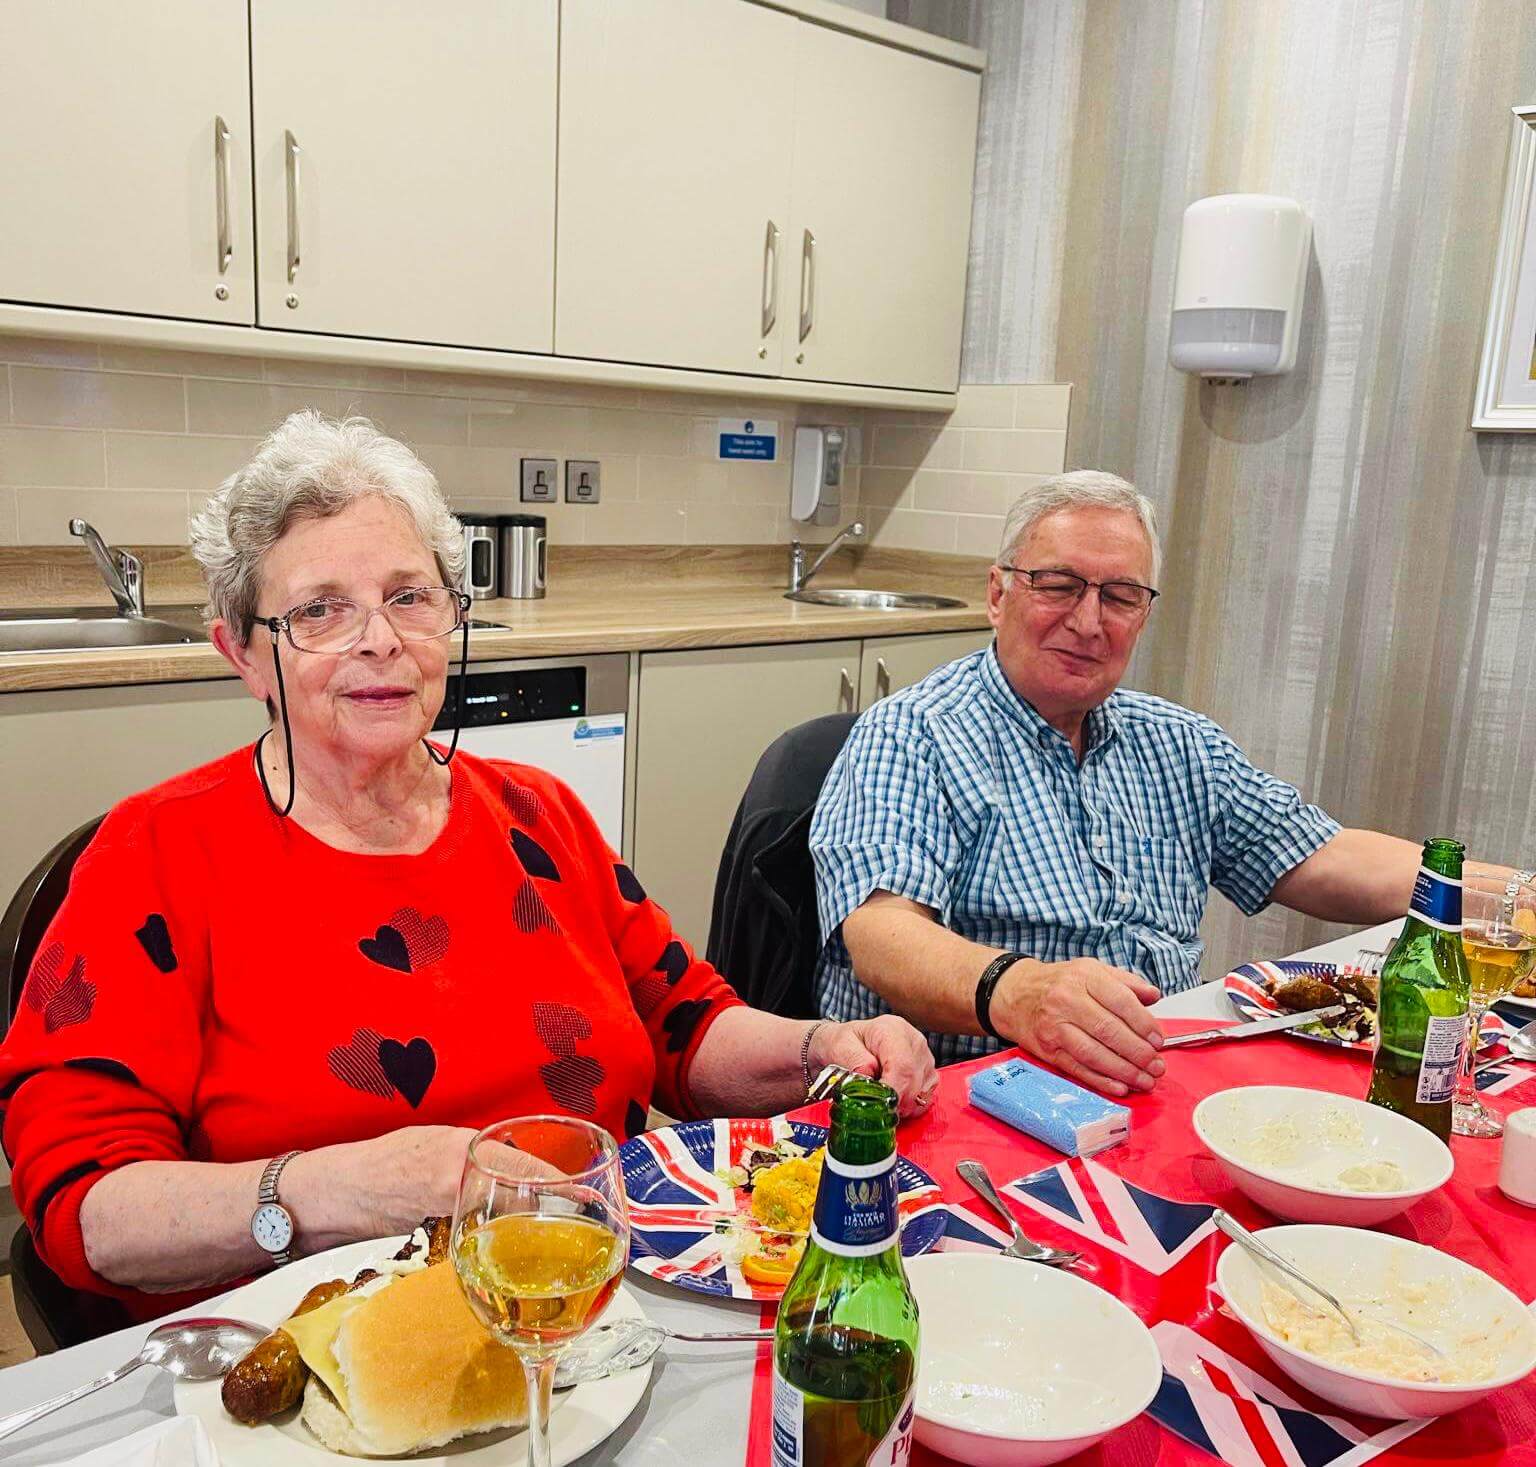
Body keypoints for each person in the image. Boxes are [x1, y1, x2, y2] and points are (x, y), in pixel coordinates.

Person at [0, 411, 935, 1309]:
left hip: (582, 1308)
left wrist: (821, 1047)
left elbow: (683, 1027)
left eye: (410, 597)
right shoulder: (159, 856)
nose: (381, 638)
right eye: (320, 610)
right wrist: (333, 1191)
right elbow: (82, 1208)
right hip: (309, 1359)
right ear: (244, 655)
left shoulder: (540, 815)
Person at [810, 470, 1518, 1094]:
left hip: (1159, 1073)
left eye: (1119, 596)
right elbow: (880, 934)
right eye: (1058, 585)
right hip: (978, 1090)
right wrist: (1015, 988)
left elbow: (1320, 856)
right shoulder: (914, 733)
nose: (1088, 621)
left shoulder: (1179, 742)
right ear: (998, 594)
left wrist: (1510, 897)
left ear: (1144, 614)